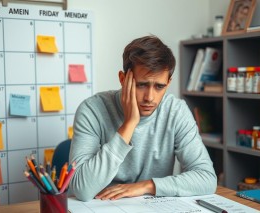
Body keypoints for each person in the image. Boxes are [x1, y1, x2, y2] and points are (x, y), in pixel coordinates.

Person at [69, 35, 217, 201]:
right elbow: (82, 189)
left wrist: (147, 186)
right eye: (141, 85)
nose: (150, 97)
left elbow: (207, 178)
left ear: (168, 83)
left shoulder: (176, 111)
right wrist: (129, 124)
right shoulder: (91, 110)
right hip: (101, 205)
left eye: (159, 87)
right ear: (123, 79)